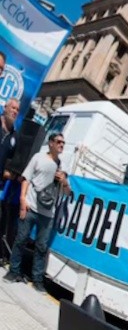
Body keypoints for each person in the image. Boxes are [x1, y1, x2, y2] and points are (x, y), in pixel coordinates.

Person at [3, 133, 71, 293]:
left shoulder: (62, 165)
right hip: (31, 206)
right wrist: (22, 200)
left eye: (63, 143)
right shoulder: (38, 158)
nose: (62, 145)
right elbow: (26, 178)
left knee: (41, 247)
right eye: (59, 142)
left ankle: (37, 280)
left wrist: (65, 182)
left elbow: (67, 193)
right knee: (21, 240)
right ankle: (14, 271)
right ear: (51, 144)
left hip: (48, 213)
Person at [0, 98, 19, 182]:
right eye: (13, 108)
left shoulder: (14, 136)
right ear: (5, 108)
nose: (15, 112)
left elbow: (10, 159)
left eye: (17, 110)